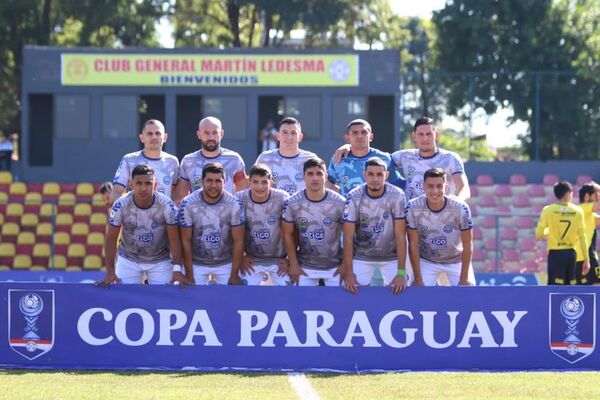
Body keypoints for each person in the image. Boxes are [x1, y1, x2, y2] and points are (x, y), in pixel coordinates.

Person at [96, 165, 187, 286]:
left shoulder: (167, 206)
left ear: (155, 185)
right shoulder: (120, 205)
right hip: (128, 259)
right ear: (131, 185)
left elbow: (175, 240)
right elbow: (111, 239)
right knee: (124, 299)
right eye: (139, 183)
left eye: (148, 183)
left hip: (160, 260)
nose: (143, 188)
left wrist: (177, 270)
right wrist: (110, 271)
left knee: (165, 299)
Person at [342, 157, 408, 294]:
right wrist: (348, 273)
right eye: (371, 174)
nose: (375, 178)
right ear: (364, 174)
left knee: (401, 292)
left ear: (387, 175)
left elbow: (401, 236)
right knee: (350, 291)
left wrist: (401, 273)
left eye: (379, 174)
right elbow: (348, 238)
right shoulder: (354, 196)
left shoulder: (397, 195)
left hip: (391, 256)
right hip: (362, 255)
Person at [178, 162, 246, 285]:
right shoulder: (188, 203)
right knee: (189, 298)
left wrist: (234, 274)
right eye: (209, 180)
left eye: (218, 181)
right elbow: (185, 241)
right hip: (196, 262)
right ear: (202, 181)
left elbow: (239, 240)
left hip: (226, 261)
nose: (214, 185)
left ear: (225, 183)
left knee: (232, 300)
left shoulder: (234, 204)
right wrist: (189, 274)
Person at [282, 158, 346, 286]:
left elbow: (349, 236)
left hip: (335, 267)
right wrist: (293, 263)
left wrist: (346, 264)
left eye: (319, 174)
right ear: (303, 177)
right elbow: (287, 234)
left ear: (326, 176)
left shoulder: (340, 203)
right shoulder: (292, 203)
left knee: (338, 305)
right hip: (305, 267)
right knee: (300, 304)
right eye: (310, 174)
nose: (315, 178)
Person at [405, 168, 473, 286]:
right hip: (427, 260)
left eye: (439, 186)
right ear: (423, 187)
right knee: (418, 298)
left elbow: (468, 244)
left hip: (456, 260)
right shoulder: (412, 207)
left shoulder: (460, 208)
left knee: (467, 298)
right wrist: (417, 278)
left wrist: (463, 278)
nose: (435, 191)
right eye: (430, 186)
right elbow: (413, 244)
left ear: (445, 188)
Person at [236, 164, 290, 285]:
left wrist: (289, 259)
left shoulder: (283, 198)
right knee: (245, 298)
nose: (260, 187)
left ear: (271, 182)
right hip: (251, 260)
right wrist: (242, 256)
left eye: (264, 182)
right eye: (255, 182)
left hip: (279, 260)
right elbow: (233, 232)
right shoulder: (239, 199)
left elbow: (292, 231)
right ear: (249, 181)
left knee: (288, 296)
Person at [327, 119, 404, 197]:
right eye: (355, 133)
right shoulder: (339, 158)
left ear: (371, 137)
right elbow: (327, 182)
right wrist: (342, 195)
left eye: (364, 132)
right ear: (347, 137)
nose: (360, 136)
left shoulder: (384, 158)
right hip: (348, 208)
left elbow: (398, 184)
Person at [176, 116, 248, 199]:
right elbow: (181, 196)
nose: (211, 137)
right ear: (199, 134)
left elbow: (244, 192)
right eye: (206, 133)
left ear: (221, 134)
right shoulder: (188, 161)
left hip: (227, 210)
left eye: (215, 133)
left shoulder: (234, 159)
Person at [535, 181, 589, 285]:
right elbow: (583, 237)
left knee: (554, 288)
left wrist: (549, 232)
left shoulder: (548, 210)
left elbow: (539, 234)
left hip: (555, 254)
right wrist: (586, 259)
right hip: (571, 254)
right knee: (569, 288)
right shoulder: (578, 211)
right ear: (568, 193)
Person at [112, 119, 179, 202]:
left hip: (163, 214)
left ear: (165, 137)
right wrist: (125, 211)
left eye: (157, 133)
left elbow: (176, 192)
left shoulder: (172, 162)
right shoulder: (129, 160)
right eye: (149, 134)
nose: (154, 137)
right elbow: (116, 191)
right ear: (142, 137)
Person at [255, 117, 317, 196]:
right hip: (273, 208)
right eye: (285, 132)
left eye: (293, 133)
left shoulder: (310, 159)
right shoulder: (265, 158)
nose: (289, 137)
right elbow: (253, 185)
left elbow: (320, 187)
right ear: (277, 136)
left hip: (302, 207)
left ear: (300, 137)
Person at [576, 182, 600, 285]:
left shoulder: (589, 214)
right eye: (596, 195)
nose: (597, 198)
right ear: (587, 196)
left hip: (590, 256)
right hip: (584, 257)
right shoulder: (583, 208)